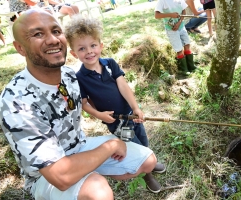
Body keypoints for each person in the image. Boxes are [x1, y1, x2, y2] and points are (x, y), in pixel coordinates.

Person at [0, 8, 157, 200]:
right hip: (45, 175)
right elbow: (60, 175)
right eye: (38, 34)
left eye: (56, 31)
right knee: (97, 191)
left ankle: (89, 174)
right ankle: (85, 183)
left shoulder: (70, 77)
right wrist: (110, 146)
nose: (53, 40)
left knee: (148, 160)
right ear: (20, 48)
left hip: (80, 147)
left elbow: (86, 102)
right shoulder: (16, 101)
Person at [64, 14, 166, 193]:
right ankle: (145, 173)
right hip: (116, 122)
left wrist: (135, 107)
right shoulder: (80, 78)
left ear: (100, 46)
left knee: (142, 138)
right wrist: (99, 115)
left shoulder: (110, 64)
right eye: (82, 48)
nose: (89, 51)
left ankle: (150, 161)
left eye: (93, 45)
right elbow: (84, 103)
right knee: (132, 144)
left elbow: (123, 85)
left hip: (130, 114)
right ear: (73, 53)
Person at [155, 0, 196, 75]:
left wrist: (179, 22)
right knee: (179, 49)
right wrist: (170, 14)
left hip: (181, 26)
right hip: (171, 29)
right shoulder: (162, 1)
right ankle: (184, 69)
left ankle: (191, 66)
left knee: (187, 44)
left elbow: (184, 12)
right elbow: (157, 15)